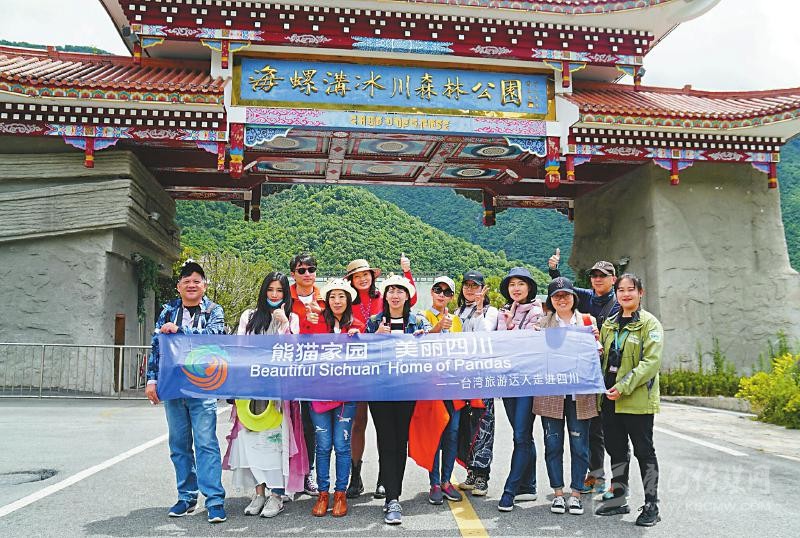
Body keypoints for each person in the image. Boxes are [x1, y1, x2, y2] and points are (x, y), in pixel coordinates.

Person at [145, 261, 227, 524]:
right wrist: (151, 379)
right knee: (179, 444)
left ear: (204, 285)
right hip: (173, 385)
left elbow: (214, 337)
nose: (191, 285)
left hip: (203, 386)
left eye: (196, 281)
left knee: (206, 443)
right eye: (186, 281)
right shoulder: (168, 310)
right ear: (179, 286)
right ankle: (186, 496)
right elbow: (156, 345)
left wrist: (180, 331)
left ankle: (214, 500)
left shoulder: (214, 310)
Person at [223, 272, 307, 519]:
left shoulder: (292, 318)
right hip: (250, 389)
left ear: (286, 294)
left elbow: (295, 351)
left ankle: (276, 495)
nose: (274, 294)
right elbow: (240, 350)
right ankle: (258, 493)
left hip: (279, 392)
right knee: (250, 439)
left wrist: (284, 324)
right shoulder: (249, 317)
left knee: (275, 442)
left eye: (279, 290)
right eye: (270, 289)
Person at [344, 255, 417, 499]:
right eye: (357, 276)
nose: (362, 279)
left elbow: (410, 299)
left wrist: (407, 272)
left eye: (366, 274)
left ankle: (384, 480)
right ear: (351, 280)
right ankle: (356, 475)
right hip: (364, 373)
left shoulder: (385, 298)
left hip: (395, 380)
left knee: (388, 432)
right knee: (359, 424)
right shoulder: (347, 301)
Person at [548, 249, 619, 493]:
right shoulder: (587, 297)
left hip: (610, 373)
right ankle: (594, 476)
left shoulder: (618, 304)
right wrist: (554, 270)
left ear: (613, 279)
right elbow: (563, 291)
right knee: (591, 429)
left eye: (603, 275)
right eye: (594, 275)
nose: (598, 279)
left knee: (606, 432)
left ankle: (609, 481)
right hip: (585, 375)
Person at [595, 273, 663, 527]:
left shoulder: (650, 324)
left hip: (637, 400)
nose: (625, 294)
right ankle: (618, 497)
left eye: (630, 289)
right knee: (616, 450)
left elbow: (651, 363)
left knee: (644, 452)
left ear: (640, 293)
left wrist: (623, 387)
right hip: (610, 399)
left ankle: (652, 504)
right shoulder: (609, 324)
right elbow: (602, 358)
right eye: (621, 290)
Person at [365, 274, 431, 525]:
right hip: (379, 391)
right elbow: (362, 355)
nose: (395, 295)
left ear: (407, 296)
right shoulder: (374, 322)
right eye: (391, 291)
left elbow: (433, 350)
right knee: (386, 439)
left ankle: (394, 495)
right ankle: (390, 495)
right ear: (385, 295)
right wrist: (374, 338)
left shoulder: (418, 322)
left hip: (406, 390)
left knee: (400, 440)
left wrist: (425, 339)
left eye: (400, 291)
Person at [533, 277, 600, 517]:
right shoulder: (541, 324)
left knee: (580, 446)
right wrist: (533, 340)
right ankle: (558, 494)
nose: (562, 299)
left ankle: (576, 494)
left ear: (574, 297)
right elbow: (533, 357)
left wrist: (596, 344)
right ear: (550, 300)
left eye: (566, 295)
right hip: (551, 393)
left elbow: (596, 356)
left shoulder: (587, 321)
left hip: (579, 395)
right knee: (552, 445)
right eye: (556, 296)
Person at [308, 278, 365, 518]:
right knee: (322, 445)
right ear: (327, 300)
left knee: (342, 445)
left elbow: (366, 357)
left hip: (346, 396)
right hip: (318, 394)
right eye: (332, 296)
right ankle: (323, 493)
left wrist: (358, 339)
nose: (337, 301)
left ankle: (340, 493)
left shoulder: (358, 325)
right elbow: (303, 348)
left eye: (342, 296)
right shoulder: (316, 321)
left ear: (348, 300)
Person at [495, 267, 543, 512]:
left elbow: (531, 344)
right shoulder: (503, 311)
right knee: (522, 434)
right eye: (512, 284)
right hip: (507, 380)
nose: (516, 288)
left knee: (521, 436)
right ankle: (529, 485)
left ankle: (510, 490)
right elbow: (496, 343)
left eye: (520, 284)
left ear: (529, 287)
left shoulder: (537, 312)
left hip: (528, 381)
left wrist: (512, 326)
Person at [419, 276, 463, 505]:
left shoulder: (457, 321)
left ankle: (447, 480)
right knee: (435, 434)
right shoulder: (421, 316)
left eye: (447, 292)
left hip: (453, 385)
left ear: (452, 297)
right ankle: (434, 482)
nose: (442, 295)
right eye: (438, 289)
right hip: (432, 386)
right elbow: (420, 344)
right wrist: (438, 327)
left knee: (452, 434)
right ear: (432, 292)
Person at [454, 270, 498, 497]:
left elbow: (485, 335)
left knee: (483, 425)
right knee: (465, 426)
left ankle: (482, 475)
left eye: (475, 286)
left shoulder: (491, 312)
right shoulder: (457, 312)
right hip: (461, 378)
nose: (470, 290)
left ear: (483, 289)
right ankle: (470, 471)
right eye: (467, 285)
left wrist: (480, 310)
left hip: (482, 378)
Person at [289, 252, 326, 497]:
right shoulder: (284, 297)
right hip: (290, 369)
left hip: (318, 371)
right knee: (290, 422)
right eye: (301, 270)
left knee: (312, 423)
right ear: (293, 274)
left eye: (311, 269)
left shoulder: (326, 298)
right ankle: (288, 475)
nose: (307, 274)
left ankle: (308, 473)